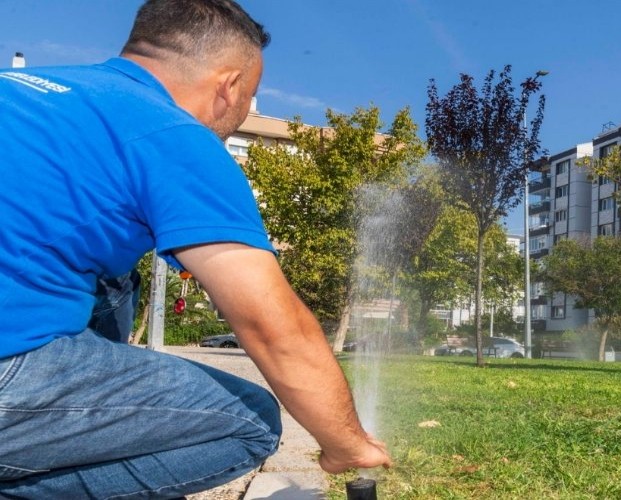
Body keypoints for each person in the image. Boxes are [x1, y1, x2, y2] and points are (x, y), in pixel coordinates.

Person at [0, 0, 391, 498]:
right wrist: (349, 446)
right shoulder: (173, 133)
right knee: (246, 423)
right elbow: (274, 328)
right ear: (229, 86)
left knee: (117, 277)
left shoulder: (25, 89)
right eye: (249, 97)